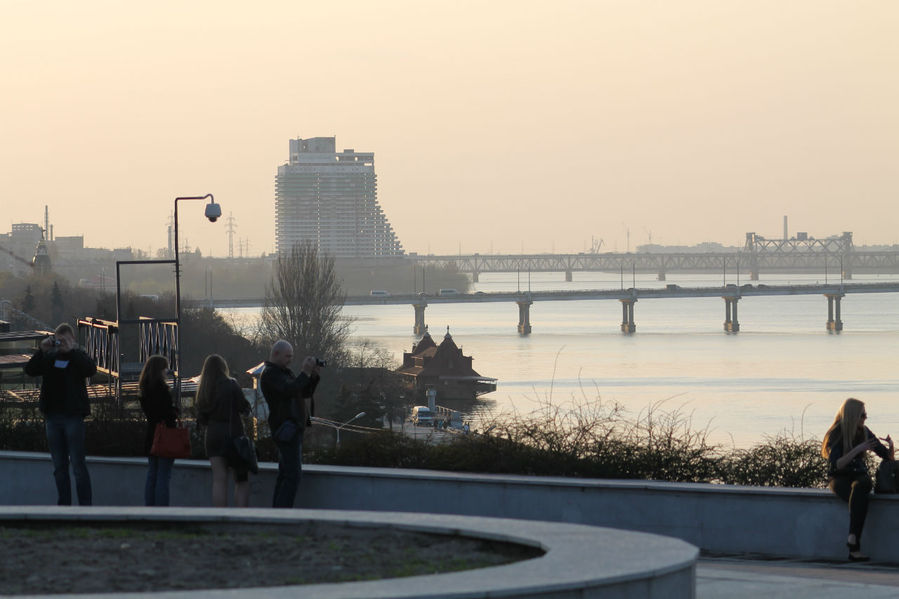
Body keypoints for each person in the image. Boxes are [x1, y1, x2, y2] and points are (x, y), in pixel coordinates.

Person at [24, 323, 97, 506]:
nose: (62, 343)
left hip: (73, 416)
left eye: (66, 339)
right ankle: (63, 506)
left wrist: (72, 351)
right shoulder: (50, 357)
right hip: (53, 416)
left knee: (78, 466)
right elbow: (30, 370)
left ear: (73, 340)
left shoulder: (78, 356)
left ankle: (85, 506)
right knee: (59, 467)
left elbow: (90, 370)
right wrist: (42, 350)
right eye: (59, 339)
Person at [822, 397, 894, 561]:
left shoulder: (865, 431)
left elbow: (887, 457)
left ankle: (853, 540)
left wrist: (890, 445)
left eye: (866, 415)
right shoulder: (837, 433)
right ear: (852, 415)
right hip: (840, 477)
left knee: (864, 484)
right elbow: (836, 465)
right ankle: (854, 546)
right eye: (862, 415)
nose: (865, 418)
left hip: (858, 475)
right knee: (859, 498)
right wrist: (858, 449)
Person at [260, 340, 320, 508]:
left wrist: (312, 376)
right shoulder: (271, 374)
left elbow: (304, 392)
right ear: (276, 354)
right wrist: (304, 373)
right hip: (286, 428)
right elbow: (290, 390)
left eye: (292, 356)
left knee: (285, 473)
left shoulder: (284, 372)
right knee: (293, 475)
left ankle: (278, 512)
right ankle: (283, 513)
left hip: (293, 428)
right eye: (288, 356)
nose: (290, 360)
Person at [195, 354, 252, 507]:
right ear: (223, 368)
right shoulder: (231, 384)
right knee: (241, 479)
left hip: (212, 436)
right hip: (233, 434)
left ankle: (219, 516)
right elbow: (244, 408)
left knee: (219, 480)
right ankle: (241, 517)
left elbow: (202, 418)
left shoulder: (203, 390)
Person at [137, 355, 179, 506]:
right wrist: (174, 411)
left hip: (151, 434)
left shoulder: (145, 389)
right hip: (165, 435)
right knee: (163, 475)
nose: (167, 371)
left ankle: (150, 507)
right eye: (165, 368)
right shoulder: (162, 389)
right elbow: (166, 413)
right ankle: (162, 509)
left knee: (152, 474)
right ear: (160, 370)